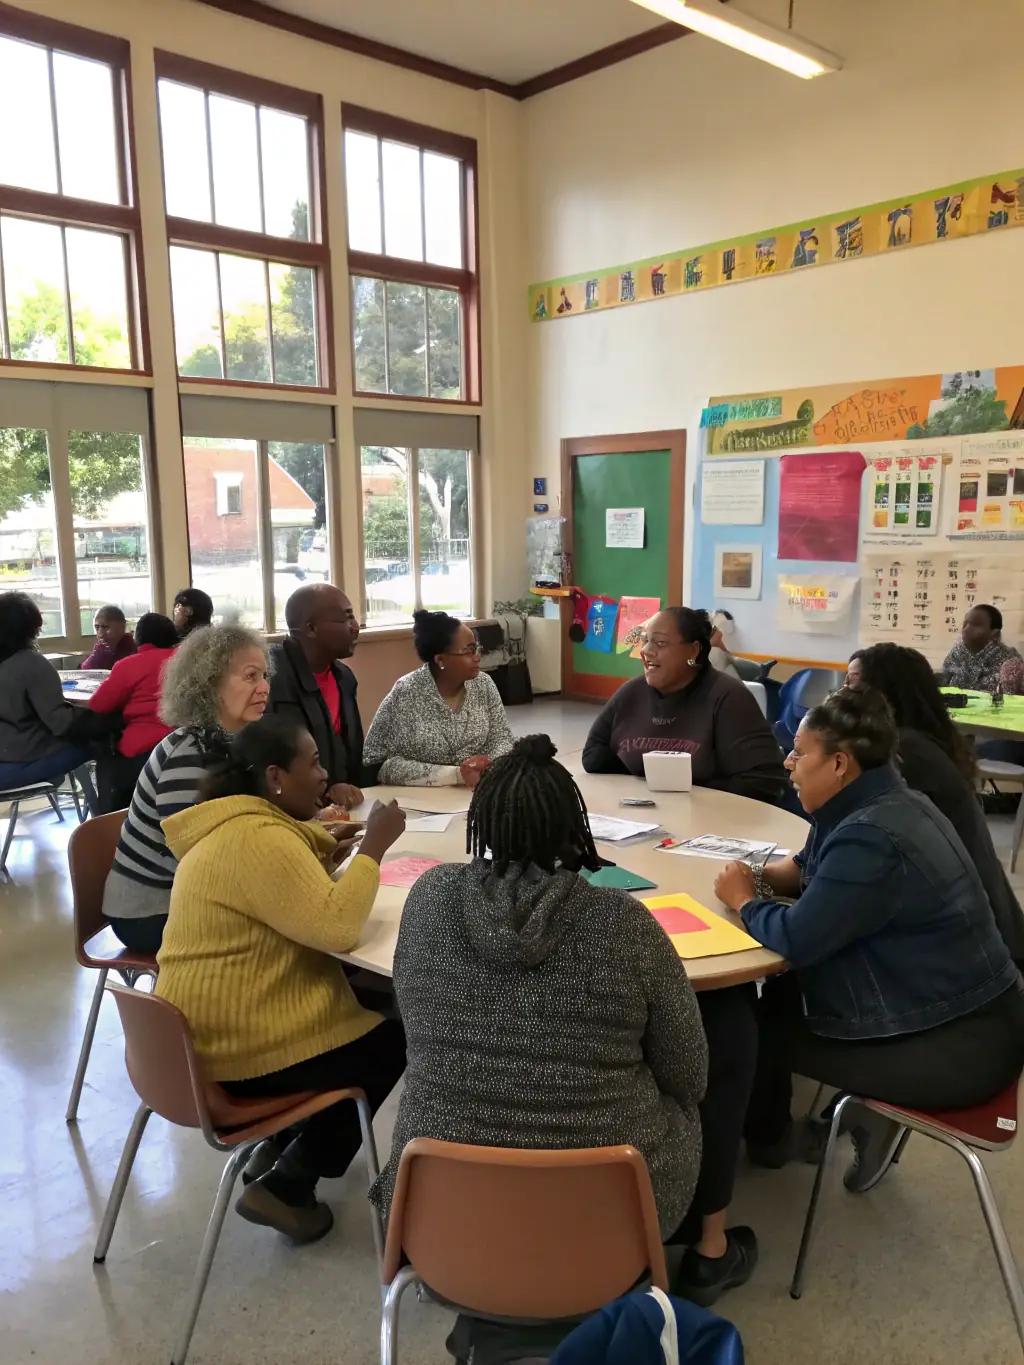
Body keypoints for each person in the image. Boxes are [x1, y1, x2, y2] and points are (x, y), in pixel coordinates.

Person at [371, 737, 747, 1304]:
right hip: (612, 1221)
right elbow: (689, 1079)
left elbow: (415, 1024)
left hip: (439, 1214)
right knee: (724, 1046)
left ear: (482, 826)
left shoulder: (428, 901)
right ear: (574, 832)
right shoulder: (624, 923)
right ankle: (708, 1245)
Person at [713, 688, 1024, 1193]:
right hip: (965, 1009)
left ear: (839, 763)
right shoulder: (885, 800)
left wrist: (746, 899)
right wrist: (767, 878)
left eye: (799, 751)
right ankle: (818, 1124)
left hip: (959, 1046)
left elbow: (794, 939)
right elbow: (812, 865)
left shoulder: (871, 837)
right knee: (771, 1001)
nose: (787, 762)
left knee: (747, 1028)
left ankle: (778, 1142)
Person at [157, 716, 408, 1243]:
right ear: (275, 777)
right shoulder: (260, 839)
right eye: (312, 763)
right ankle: (289, 1183)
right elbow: (337, 929)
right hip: (235, 1050)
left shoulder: (234, 825)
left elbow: (282, 883)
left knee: (367, 997)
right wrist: (373, 850)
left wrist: (325, 846)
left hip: (196, 1037)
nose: (323, 774)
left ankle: (284, 1143)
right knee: (393, 1040)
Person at [847, 643, 1024, 962]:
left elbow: (862, 846)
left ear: (885, 691)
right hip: (979, 924)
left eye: (854, 683)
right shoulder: (918, 742)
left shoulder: (905, 754)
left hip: (975, 947)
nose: (842, 694)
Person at [101, 624, 270, 953]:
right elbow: (199, 859)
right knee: (283, 932)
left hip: (187, 895)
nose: (264, 687)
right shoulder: (189, 753)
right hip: (150, 911)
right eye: (250, 677)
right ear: (209, 685)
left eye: (265, 675)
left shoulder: (235, 743)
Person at [582, 607, 787, 804]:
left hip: (715, 824)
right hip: (644, 817)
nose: (646, 651)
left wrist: (689, 800)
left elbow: (764, 781)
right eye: (645, 641)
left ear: (693, 650)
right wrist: (643, 791)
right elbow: (593, 756)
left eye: (660, 643)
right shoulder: (630, 694)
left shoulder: (728, 697)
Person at [363, 609, 515, 787]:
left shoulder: (484, 684)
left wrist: (485, 766)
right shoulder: (406, 693)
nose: (477, 656)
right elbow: (380, 765)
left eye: (477, 648)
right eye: (469, 650)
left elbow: (503, 739)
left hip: (480, 790)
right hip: (420, 800)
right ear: (440, 660)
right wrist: (456, 775)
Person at [0, 591, 112, 813]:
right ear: (30, 628)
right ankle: (105, 818)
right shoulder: (30, 663)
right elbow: (61, 723)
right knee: (105, 742)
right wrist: (106, 719)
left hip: (6, 758)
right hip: (20, 764)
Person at [267, 584, 367, 809]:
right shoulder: (273, 678)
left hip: (340, 812)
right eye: (346, 618)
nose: (355, 627)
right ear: (311, 628)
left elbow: (350, 755)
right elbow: (275, 761)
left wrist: (345, 786)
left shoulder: (344, 678)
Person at [88, 612, 178, 814]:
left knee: (104, 757)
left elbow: (99, 705)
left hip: (141, 751)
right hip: (188, 744)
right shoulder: (189, 661)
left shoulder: (129, 665)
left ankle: (106, 821)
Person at [942, 604, 1021, 691]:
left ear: (995, 634)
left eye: (975, 625)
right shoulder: (956, 655)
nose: (966, 629)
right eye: (965, 624)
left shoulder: (1011, 664)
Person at [81, 605, 137, 671]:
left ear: (122, 627)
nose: (100, 634)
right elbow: (86, 671)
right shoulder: (101, 649)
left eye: (105, 627)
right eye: (97, 627)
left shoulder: (132, 649)